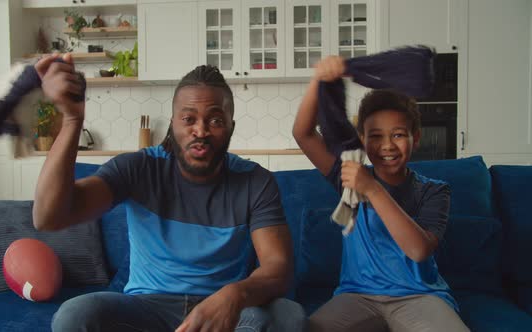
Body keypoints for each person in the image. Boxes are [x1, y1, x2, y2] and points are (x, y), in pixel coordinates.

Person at [33, 62, 306, 332]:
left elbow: (278, 269)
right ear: (173, 123)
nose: (200, 131)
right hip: (147, 310)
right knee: (76, 315)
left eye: (215, 120)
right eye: (189, 119)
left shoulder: (255, 182)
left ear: (231, 128)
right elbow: (48, 217)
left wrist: (234, 296)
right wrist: (71, 121)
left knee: (287, 316)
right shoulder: (138, 169)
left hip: (223, 313)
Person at [293, 55, 469, 331]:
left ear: (416, 138)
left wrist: (372, 189)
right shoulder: (348, 177)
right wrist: (319, 79)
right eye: (375, 136)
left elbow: (418, 250)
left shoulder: (434, 191)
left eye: (398, 134)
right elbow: (303, 134)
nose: (387, 145)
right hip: (357, 296)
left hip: (419, 296)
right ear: (362, 139)